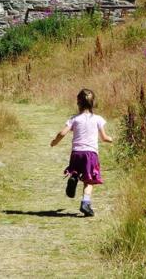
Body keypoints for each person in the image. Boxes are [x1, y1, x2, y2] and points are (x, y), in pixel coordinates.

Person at [50, 89, 113, 217]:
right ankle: (85, 203)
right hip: (91, 154)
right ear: (93, 103)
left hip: (76, 153)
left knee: (77, 170)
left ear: (78, 103)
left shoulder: (74, 119)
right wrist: (112, 139)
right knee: (89, 181)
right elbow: (104, 138)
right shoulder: (98, 119)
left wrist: (54, 142)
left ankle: (74, 176)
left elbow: (62, 133)